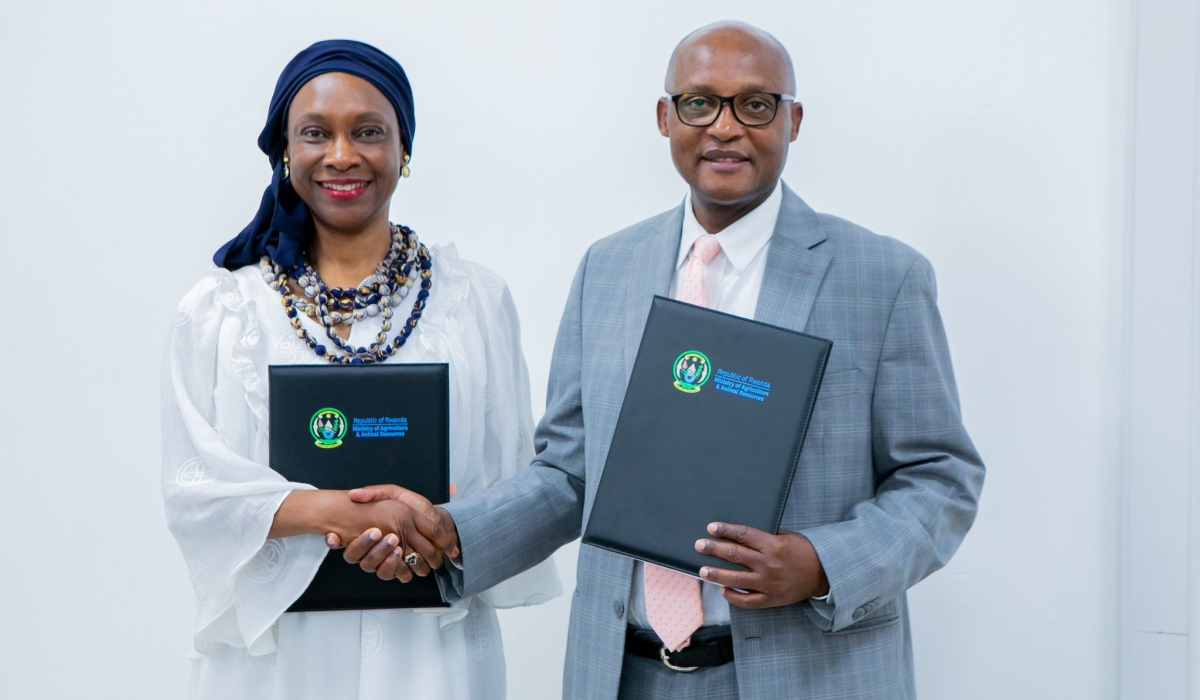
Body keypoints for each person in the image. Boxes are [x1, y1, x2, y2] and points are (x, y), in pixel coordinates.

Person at [346, 20, 984, 699]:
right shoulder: (609, 269)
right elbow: (570, 473)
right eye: (699, 102)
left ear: (794, 121)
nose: (725, 127)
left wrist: (820, 563)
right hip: (625, 673)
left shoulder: (881, 277)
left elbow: (940, 479)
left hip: (807, 674)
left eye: (757, 105)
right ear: (664, 116)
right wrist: (450, 530)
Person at [161, 39, 559, 700]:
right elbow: (191, 492)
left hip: (432, 647)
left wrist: (437, 530)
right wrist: (331, 511)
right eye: (315, 133)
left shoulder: (474, 302)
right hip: (279, 661)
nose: (342, 155)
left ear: (405, 148)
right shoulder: (220, 312)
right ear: (285, 151)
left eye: (368, 132)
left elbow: (514, 476)